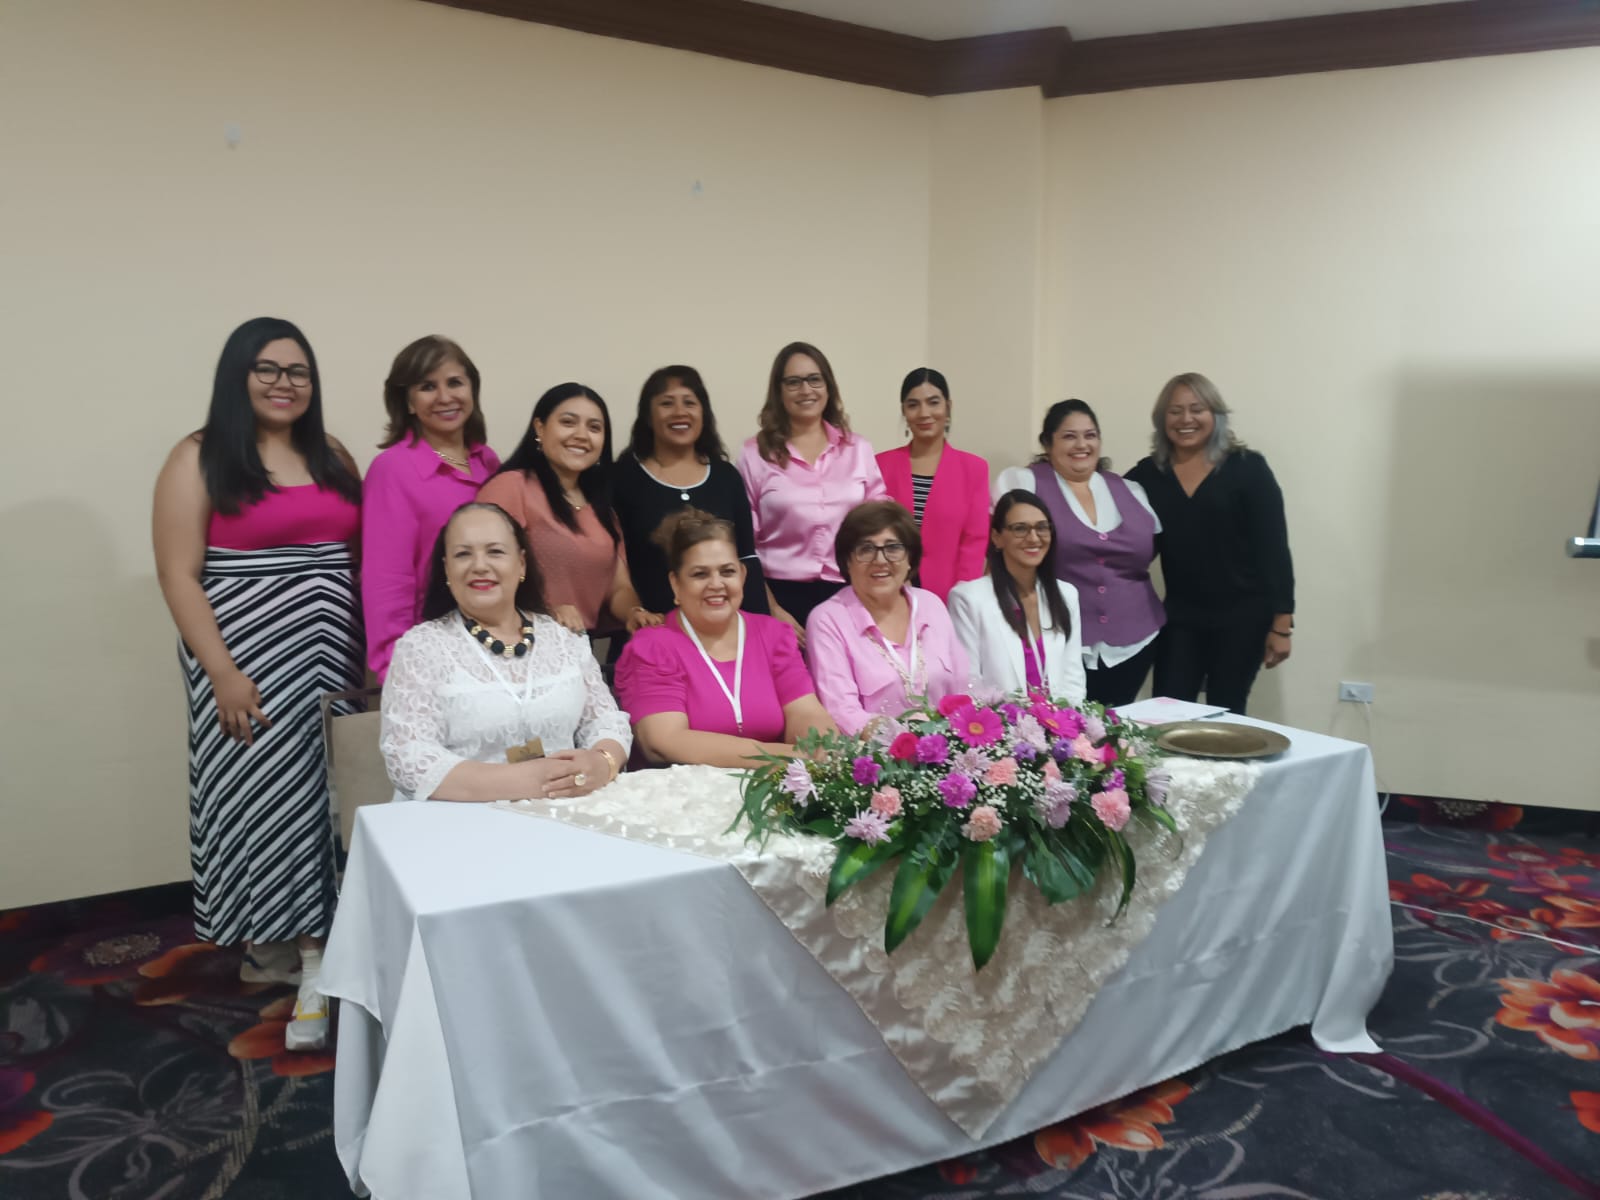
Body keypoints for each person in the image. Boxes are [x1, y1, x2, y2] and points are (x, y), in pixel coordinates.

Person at [152, 316, 364, 1053]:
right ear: (237, 376)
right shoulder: (199, 456)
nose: (284, 383)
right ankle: (308, 960)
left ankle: (303, 941)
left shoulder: (332, 454)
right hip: (249, 666)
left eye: (298, 371)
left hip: (332, 660)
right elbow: (179, 574)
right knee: (270, 801)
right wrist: (222, 673)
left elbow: (361, 557)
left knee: (328, 800)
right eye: (267, 369)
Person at [379, 502, 631, 802]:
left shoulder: (564, 637)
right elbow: (408, 759)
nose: (479, 565)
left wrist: (603, 762)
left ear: (521, 564)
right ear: (446, 569)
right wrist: (531, 781)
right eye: (463, 554)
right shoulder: (421, 647)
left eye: (495, 551)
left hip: (564, 808)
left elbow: (605, 720)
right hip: (459, 815)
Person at [1125, 372, 1294, 714]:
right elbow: (1105, 509)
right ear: (1162, 420)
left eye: (1196, 409)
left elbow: (1274, 548)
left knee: (1226, 713)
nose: (1185, 419)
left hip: (1244, 618)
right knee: (1168, 712)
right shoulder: (1148, 475)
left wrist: (1282, 625)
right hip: (1180, 617)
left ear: (1215, 414)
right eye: (1175, 411)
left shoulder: (1248, 468)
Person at [615, 510, 835, 766]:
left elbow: (805, 712)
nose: (716, 584)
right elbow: (664, 741)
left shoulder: (774, 635)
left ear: (742, 575)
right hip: (685, 786)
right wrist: (788, 757)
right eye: (700, 574)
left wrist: (820, 747)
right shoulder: (652, 647)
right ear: (676, 584)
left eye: (727, 572)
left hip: (779, 779)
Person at [995, 399, 1163, 706]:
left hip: (1136, 640)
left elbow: (1148, 551)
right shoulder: (1025, 483)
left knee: (1120, 724)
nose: (1082, 445)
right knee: (1066, 726)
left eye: (1090, 435)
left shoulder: (1131, 490)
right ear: (1048, 443)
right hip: (1056, 636)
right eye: (1069, 436)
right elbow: (1003, 550)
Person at [362, 335, 500, 680]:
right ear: (407, 402)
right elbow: (387, 582)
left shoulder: (488, 462)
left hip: (495, 649)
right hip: (431, 656)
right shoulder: (393, 469)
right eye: (427, 387)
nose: (445, 397)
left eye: (455, 383)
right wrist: (397, 672)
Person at [478, 383, 663, 637]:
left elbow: (618, 587)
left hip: (577, 647)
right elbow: (485, 570)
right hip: (514, 640)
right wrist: (544, 611)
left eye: (594, 427)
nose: (581, 435)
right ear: (539, 428)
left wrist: (634, 612)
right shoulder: (510, 487)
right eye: (568, 422)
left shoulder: (603, 511)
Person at [737, 341, 887, 642]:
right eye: (793, 382)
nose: (805, 390)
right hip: (779, 597)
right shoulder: (754, 454)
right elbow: (742, 544)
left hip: (850, 593)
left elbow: (880, 524)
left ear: (828, 386)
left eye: (814, 379)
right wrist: (771, 608)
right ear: (779, 391)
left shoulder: (857, 449)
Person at [612, 365, 768, 617]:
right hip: (653, 626)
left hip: (724, 625)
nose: (680, 412)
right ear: (648, 416)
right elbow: (615, 569)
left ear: (703, 413)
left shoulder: (726, 476)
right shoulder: (622, 478)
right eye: (667, 403)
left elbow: (746, 557)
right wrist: (637, 615)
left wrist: (762, 621)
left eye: (689, 403)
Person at [805, 500, 970, 735]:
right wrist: (909, 738)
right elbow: (841, 712)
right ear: (847, 561)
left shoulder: (931, 604)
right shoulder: (827, 620)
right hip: (874, 753)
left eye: (893, 548)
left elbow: (962, 689)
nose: (880, 560)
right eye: (866, 549)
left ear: (910, 558)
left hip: (947, 747)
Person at [948, 491, 1086, 704]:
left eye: (1042, 527)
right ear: (997, 537)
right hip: (998, 721)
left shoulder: (1066, 594)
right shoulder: (968, 599)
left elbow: (1073, 677)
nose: (1033, 538)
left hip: (1058, 721)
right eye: (1020, 529)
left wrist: (1067, 718)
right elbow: (969, 683)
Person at [875, 367, 990, 600]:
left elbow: (974, 543)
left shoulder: (974, 469)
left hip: (949, 595)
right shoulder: (880, 465)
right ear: (903, 411)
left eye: (933, 402)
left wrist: (962, 598)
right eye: (913, 405)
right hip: (887, 591)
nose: (924, 413)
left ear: (948, 407)